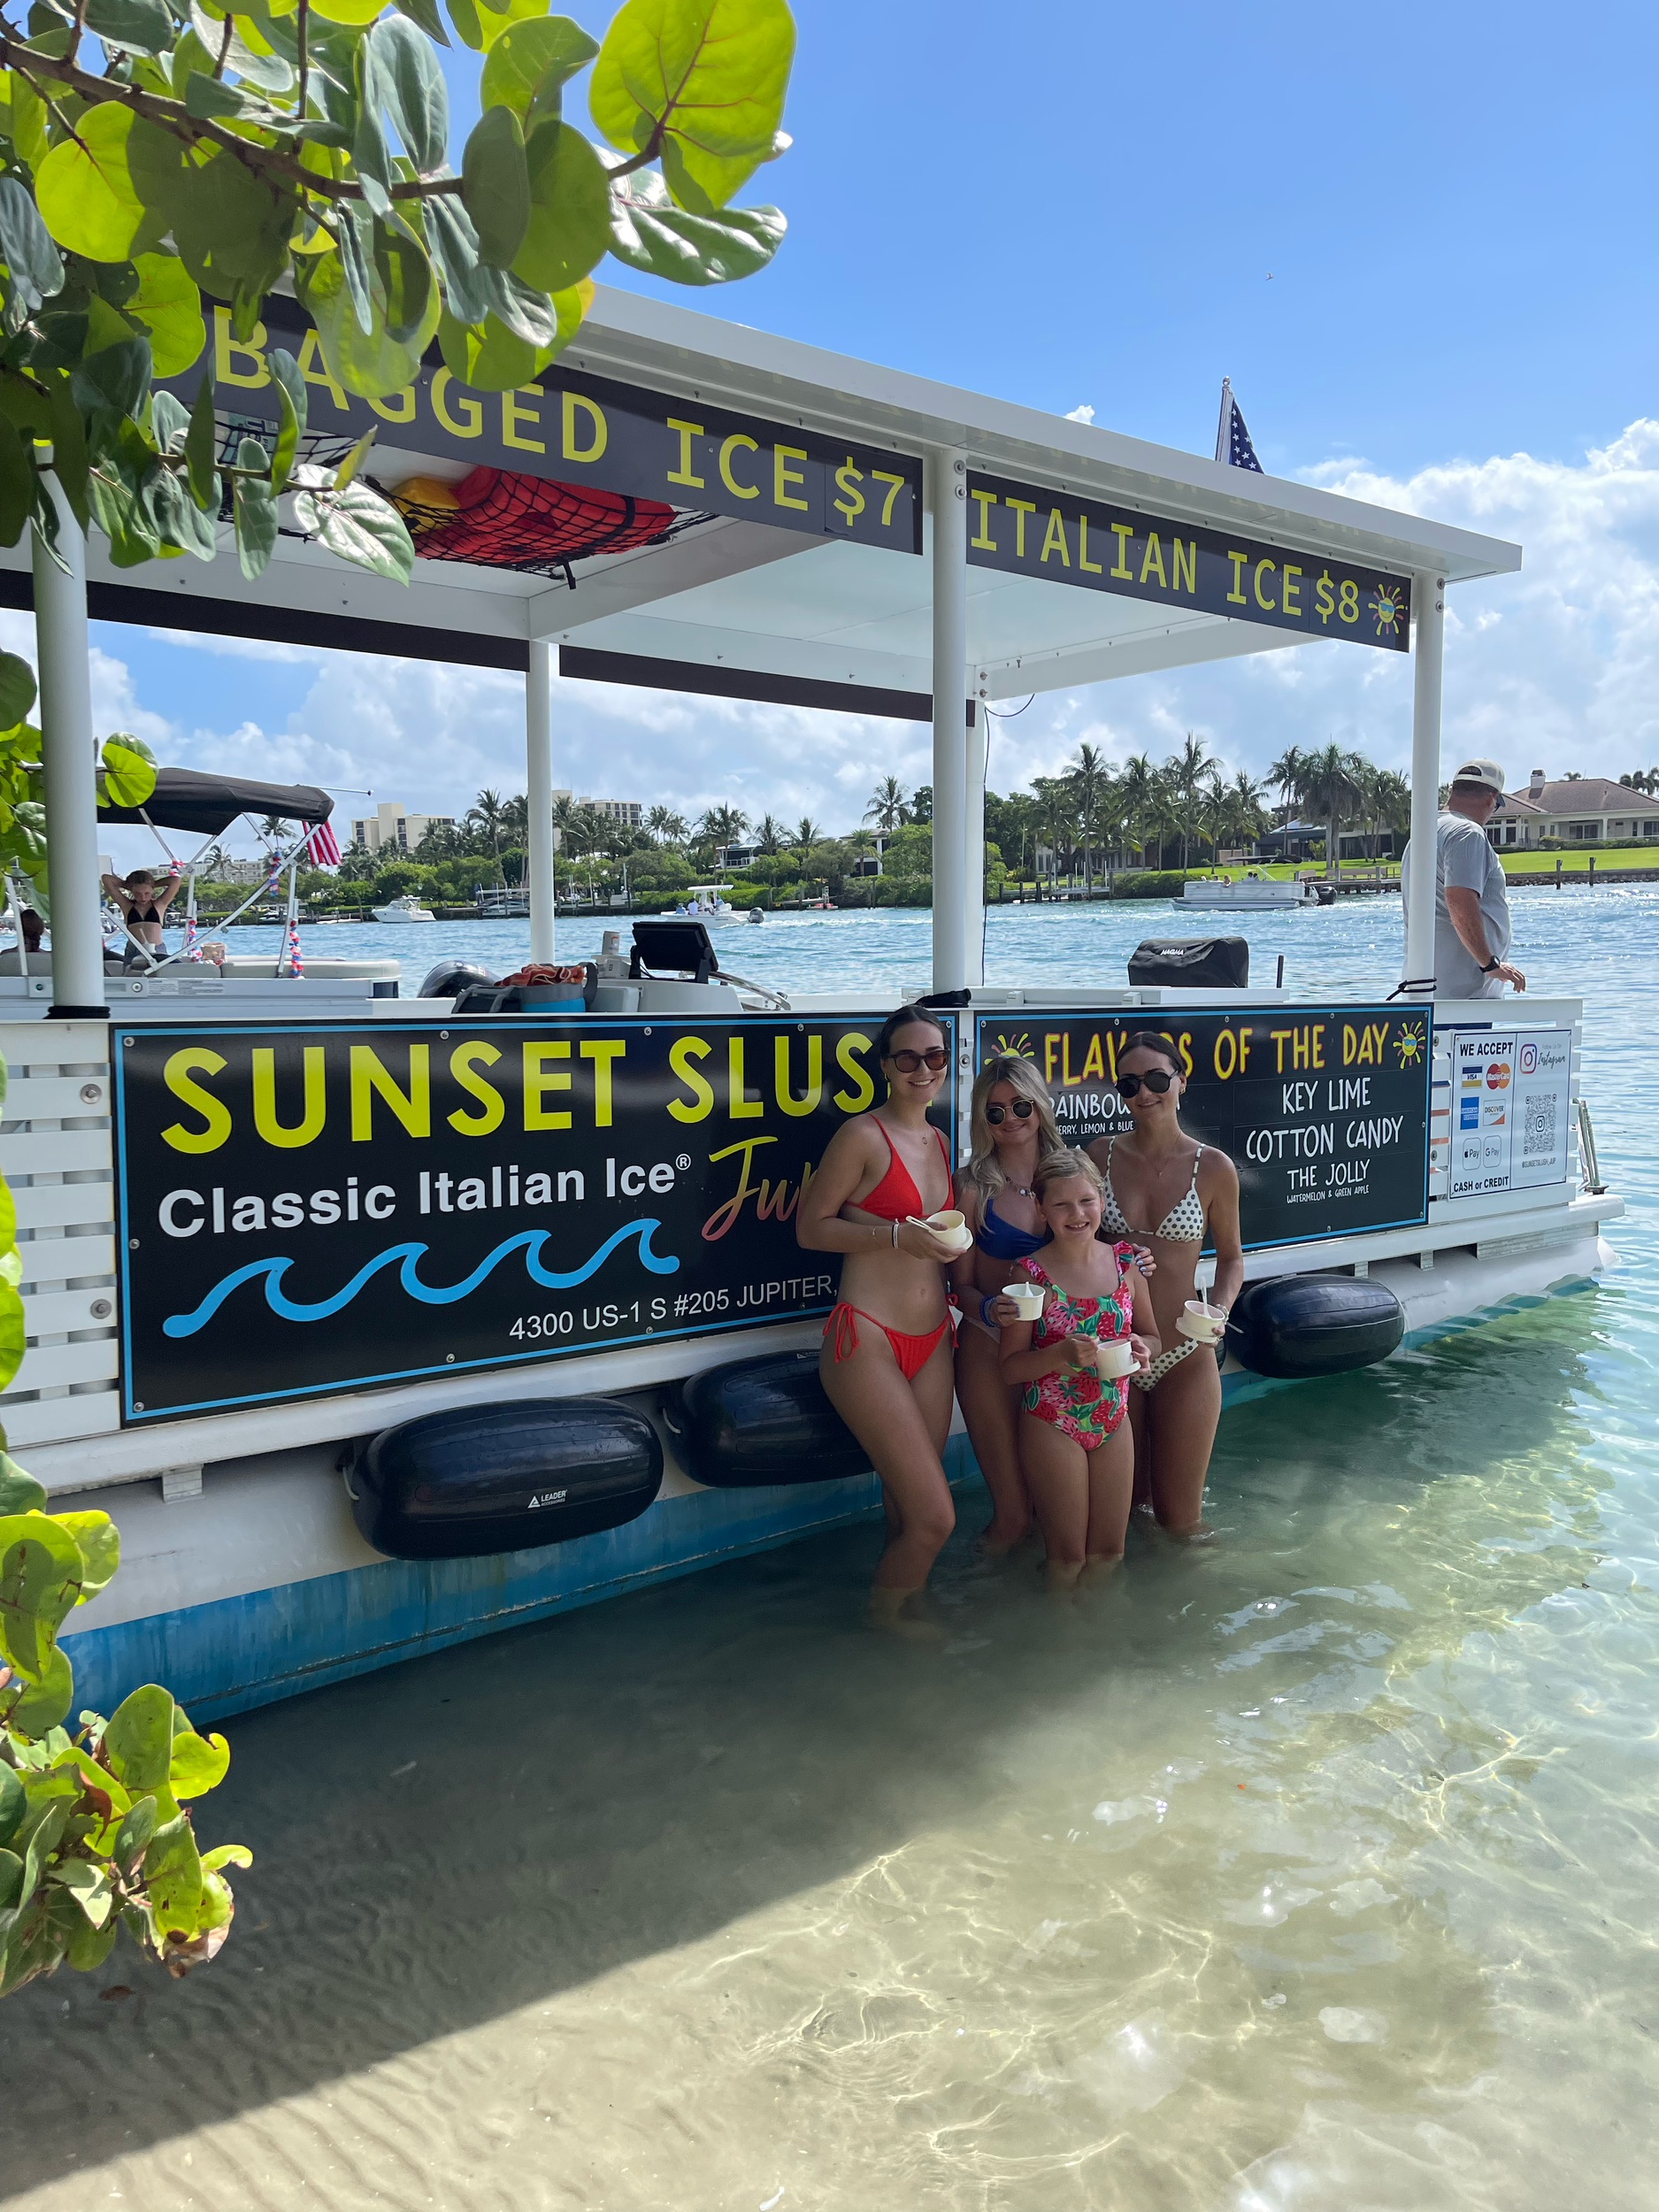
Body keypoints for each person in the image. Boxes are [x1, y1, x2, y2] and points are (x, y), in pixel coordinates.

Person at [795, 1005, 964, 1632]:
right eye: (908, 1058)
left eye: (935, 1057)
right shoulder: (861, 1136)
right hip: (865, 1337)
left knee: (906, 1512)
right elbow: (811, 1229)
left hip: (932, 1339)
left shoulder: (940, 1140)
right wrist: (896, 1238)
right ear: (886, 1066)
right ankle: (886, 1629)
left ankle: (907, 1607)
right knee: (935, 1519)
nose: (923, 1069)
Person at [1086, 1033, 1242, 1537]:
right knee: (1123, 1512)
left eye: (1156, 1079)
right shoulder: (1099, 1155)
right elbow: (1069, 1235)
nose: (1144, 1093)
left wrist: (1218, 1311)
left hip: (1184, 1352)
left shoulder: (1213, 1167)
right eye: (1129, 1083)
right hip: (1118, 1352)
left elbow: (1232, 1261)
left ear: (1181, 1081)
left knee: (1182, 1523)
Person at [998, 1150, 1157, 1591]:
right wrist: (1059, 1356)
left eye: (1086, 1201)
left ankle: (1103, 1647)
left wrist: (1141, 1347)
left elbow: (1152, 1336)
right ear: (1040, 1209)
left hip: (1113, 1417)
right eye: (1062, 1204)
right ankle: (1059, 1644)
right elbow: (1011, 1369)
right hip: (1052, 1423)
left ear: (1102, 1201)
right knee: (1067, 1560)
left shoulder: (1126, 1264)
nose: (1077, 1214)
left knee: (1110, 1554)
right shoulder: (1030, 1275)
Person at [949, 1055, 1069, 1554]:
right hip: (989, 1351)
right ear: (982, 1118)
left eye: (1020, 1105)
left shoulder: (1071, 1173)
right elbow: (958, 1286)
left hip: (1055, 1353)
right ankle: (976, 1611)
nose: (1010, 1119)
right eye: (994, 1111)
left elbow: (1103, 1250)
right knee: (1014, 1516)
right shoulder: (972, 1186)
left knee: (1055, 1510)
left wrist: (1137, 1256)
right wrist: (984, 1312)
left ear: (1040, 1104)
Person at [1399, 757, 1525, 997]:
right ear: (1491, 798)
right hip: (1462, 995)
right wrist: (1489, 964)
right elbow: (1459, 899)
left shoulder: (1424, 833)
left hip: (1424, 988)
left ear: (1452, 790)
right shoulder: (1467, 833)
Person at [102, 865, 181, 961]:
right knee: (131, 974)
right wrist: (129, 885)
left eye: (147, 893)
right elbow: (106, 879)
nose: (143, 897)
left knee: (159, 975)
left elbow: (175, 880)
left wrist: (152, 884)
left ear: (152, 891)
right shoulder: (127, 905)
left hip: (157, 949)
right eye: (138, 894)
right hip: (134, 950)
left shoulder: (160, 904)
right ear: (132, 892)